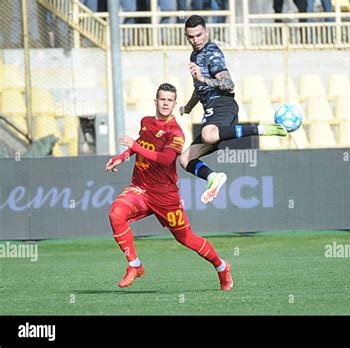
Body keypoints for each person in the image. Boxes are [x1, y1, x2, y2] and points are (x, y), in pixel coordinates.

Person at [105, 83, 233, 291]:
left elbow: (165, 160)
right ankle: (135, 266)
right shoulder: (146, 122)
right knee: (116, 214)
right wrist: (122, 156)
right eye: (162, 99)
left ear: (174, 104)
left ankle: (222, 266)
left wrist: (134, 146)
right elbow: (142, 142)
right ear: (156, 101)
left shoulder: (175, 132)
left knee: (187, 239)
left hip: (165, 196)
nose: (165, 103)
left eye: (169, 100)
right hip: (140, 188)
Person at [179, 15, 288, 204]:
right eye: (191, 37)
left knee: (209, 135)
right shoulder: (195, 56)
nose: (196, 40)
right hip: (212, 109)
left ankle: (260, 129)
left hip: (222, 104)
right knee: (185, 159)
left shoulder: (211, 52)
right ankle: (213, 177)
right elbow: (200, 88)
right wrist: (188, 107)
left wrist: (203, 79)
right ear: (186, 36)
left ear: (206, 31)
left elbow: (228, 84)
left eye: (199, 35)